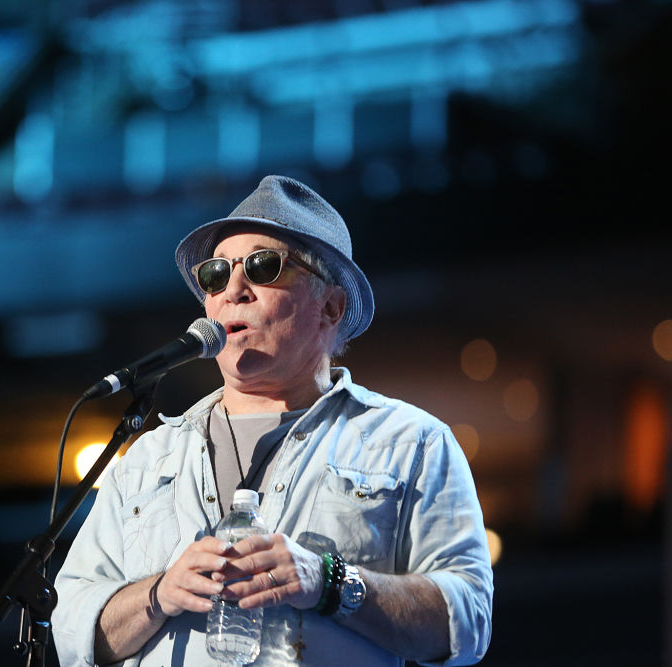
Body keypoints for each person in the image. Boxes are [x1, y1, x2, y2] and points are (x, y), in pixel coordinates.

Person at [52, 175, 493, 666]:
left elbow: (466, 622)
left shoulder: (412, 443)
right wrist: (158, 594)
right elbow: (72, 633)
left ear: (330, 305)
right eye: (216, 274)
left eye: (263, 267)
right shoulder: (148, 457)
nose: (233, 289)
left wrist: (329, 583)